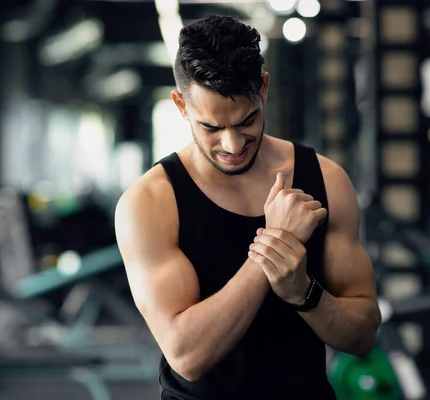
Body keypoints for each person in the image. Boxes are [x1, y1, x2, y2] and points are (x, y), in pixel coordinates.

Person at [114, 15, 381, 400]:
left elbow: (363, 336)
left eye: (247, 121)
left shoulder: (325, 179)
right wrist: (273, 249)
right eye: (211, 127)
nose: (234, 144)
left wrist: (302, 292)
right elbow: (187, 355)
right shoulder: (150, 202)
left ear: (264, 89)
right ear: (181, 105)